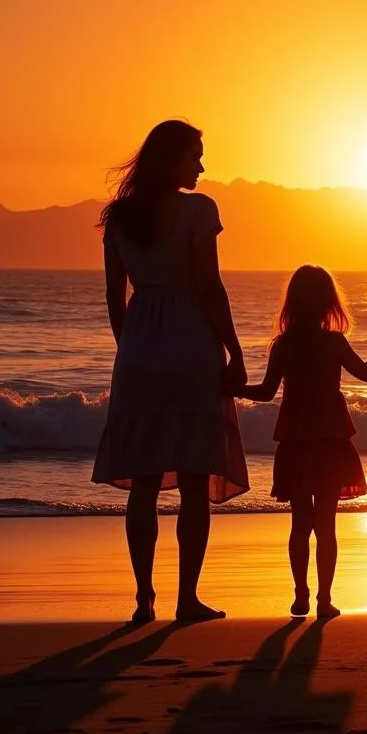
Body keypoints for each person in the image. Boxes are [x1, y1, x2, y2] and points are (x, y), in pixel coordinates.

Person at [93, 119, 249, 624]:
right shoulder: (198, 211)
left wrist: (132, 347)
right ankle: (187, 599)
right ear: (173, 159)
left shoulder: (119, 217)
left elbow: (115, 296)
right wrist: (235, 350)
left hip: (140, 351)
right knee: (193, 479)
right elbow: (210, 285)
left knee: (143, 481)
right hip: (192, 348)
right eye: (195, 156)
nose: (201, 166)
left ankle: (143, 600)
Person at [236, 266, 367, 618]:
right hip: (330, 440)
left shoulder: (284, 345)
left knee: (300, 523)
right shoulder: (333, 342)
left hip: (296, 440)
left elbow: (266, 392)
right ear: (328, 302)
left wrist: (231, 388)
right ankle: (324, 600)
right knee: (326, 524)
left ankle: (301, 594)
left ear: (292, 302)